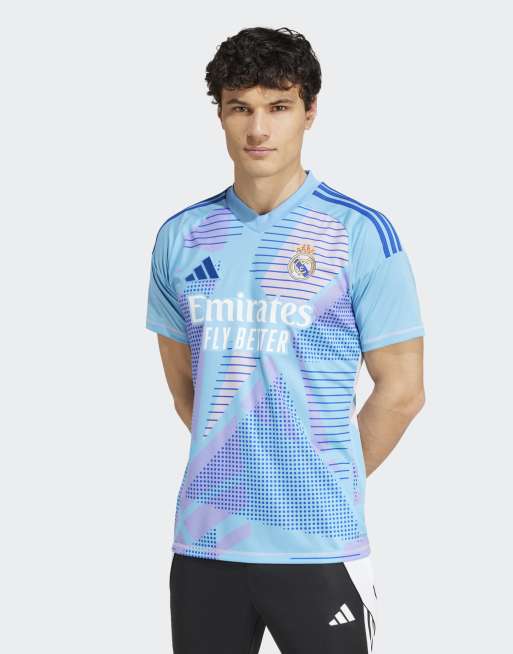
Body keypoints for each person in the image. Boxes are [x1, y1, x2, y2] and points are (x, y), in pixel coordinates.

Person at [145, 26, 425, 654]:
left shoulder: (359, 234)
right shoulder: (180, 237)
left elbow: (403, 391)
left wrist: (318, 474)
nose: (258, 129)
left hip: (318, 546)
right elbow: (186, 386)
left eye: (278, 106)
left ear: (310, 111)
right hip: (206, 544)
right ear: (220, 114)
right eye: (240, 107)